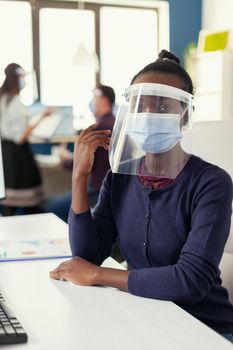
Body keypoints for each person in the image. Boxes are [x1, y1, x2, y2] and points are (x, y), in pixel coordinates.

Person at [50, 50, 233, 342]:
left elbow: (190, 281)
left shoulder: (212, 183)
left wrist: (100, 275)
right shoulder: (120, 177)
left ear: (185, 117)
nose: (147, 115)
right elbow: (86, 256)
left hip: (207, 329)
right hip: (144, 319)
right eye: (140, 105)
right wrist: (79, 177)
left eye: (162, 107)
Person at [44, 84, 116, 222]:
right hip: (105, 188)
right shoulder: (113, 122)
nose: (92, 102)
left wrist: (64, 158)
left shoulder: (99, 128)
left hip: (97, 191)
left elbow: (84, 163)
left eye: (95, 97)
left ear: (104, 100)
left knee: (51, 207)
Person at [0, 63, 52, 215]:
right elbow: (20, 137)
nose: (25, 81)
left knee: (10, 204)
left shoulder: (3, 98)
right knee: (29, 203)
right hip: (18, 156)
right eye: (22, 77)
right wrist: (42, 117)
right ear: (16, 78)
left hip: (7, 153)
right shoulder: (14, 102)